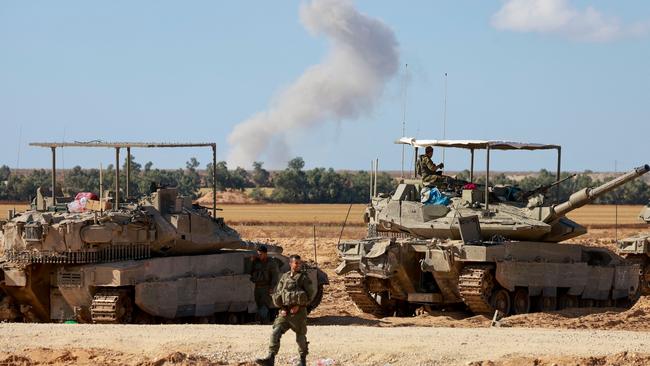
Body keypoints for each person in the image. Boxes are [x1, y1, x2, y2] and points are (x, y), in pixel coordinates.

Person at [256, 255, 315, 366]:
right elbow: (279, 293)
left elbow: (310, 295)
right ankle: (270, 357)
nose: (298, 265)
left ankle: (302, 360)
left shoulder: (303, 278)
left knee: (300, 337)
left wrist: (299, 305)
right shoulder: (285, 277)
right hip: (285, 312)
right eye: (296, 263)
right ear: (290, 264)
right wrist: (282, 308)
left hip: (298, 312)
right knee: (275, 332)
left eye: (299, 263)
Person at [249, 245, 279, 324]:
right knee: (259, 304)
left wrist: (272, 287)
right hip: (257, 287)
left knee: (264, 306)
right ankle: (263, 321)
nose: (259, 255)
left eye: (261, 254)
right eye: (258, 254)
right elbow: (251, 272)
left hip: (266, 287)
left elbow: (275, 276)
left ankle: (264, 322)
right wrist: (252, 261)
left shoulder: (271, 263)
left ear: (265, 254)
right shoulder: (256, 262)